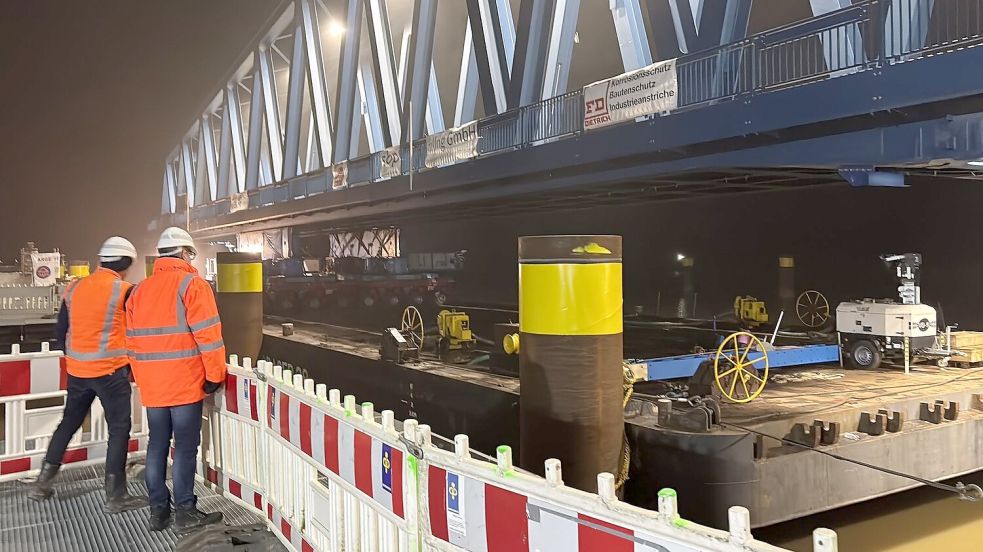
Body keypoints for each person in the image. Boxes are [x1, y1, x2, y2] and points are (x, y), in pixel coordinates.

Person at [28, 237, 148, 514]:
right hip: (111, 372)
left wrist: (75, 357)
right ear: (127, 264)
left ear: (100, 261)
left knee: (68, 423)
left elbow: (61, 332)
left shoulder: (75, 287)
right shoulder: (125, 291)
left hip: (78, 372)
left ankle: (41, 484)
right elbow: (139, 329)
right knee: (118, 431)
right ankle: (115, 497)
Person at [125, 226, 227, 533]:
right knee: (184, 448)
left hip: (153, 387)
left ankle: (159, 512)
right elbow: (209, 338)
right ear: (184, 253)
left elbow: (131, 342)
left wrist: (143, 377)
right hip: (184, 384)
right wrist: (215, 375)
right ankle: (185, 511)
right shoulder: (193, 286)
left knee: (156, 445)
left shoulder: (139, 290)